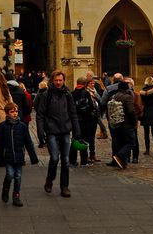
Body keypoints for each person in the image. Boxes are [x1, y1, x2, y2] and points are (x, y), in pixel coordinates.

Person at [36, 69, 80, 197]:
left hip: (65, 130)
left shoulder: (67, 94)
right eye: (56, 80)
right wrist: (40, 132)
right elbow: (40, 115)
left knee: (65, 160)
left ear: (64, 81)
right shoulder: (47, 94)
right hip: (52, 131)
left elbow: (73, 113)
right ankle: (50, 180)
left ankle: (64, 187)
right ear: (52, 81)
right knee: (55, 158)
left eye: (60, 80)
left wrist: (77, 130)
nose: (58, 83)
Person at [0, 101, 39, 206]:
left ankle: (16, 195)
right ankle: (5, 189)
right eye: (12, 112)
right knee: (10, 174)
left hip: (19, 156)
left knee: (18, 176)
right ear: (7, 113)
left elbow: (28, 142)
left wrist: (33, 157)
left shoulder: (22, 126)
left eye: (16, 111)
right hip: (8, 155)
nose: (15, 113)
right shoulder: (2, 126)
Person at [107, 79, 138, 169]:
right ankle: (119, 156)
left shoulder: (113, 97)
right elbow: (131, 111)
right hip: (126, 124)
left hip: (115, 124)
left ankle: (122, 162)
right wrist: (134, 122)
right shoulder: (127, 97)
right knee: (131, 142)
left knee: (119, 142)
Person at [69, 76, 95, 167]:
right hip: (85, 120)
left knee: (75, 138)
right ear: (85, 84)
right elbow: (91, 106)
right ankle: (84, 160)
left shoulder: (71, 93)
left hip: (74, 119)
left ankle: (72, 159)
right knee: (84, 140)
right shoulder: (86, 93)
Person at [139, 76, 153, 155]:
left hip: (146, 111)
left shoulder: (142, 91)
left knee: (146, 132)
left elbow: (140, 102)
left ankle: (147, 149)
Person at [86, 72, 108, 144]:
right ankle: (103, 132)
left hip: (97, 106)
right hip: (95, 107)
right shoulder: (91, 87)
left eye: (88, 76)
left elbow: (99, 96)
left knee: (98, 120)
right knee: (98, 120)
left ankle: (104, 132)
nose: (86, 77)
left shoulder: (96, 86)